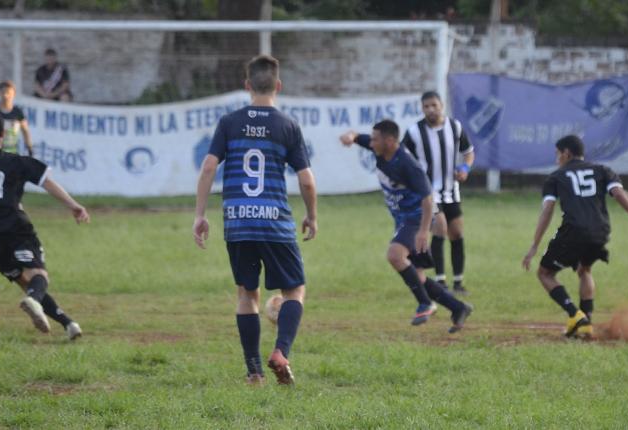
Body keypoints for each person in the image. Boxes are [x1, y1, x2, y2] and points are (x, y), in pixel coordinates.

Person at [193, 55, 317, 386]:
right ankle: (280, 352)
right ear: (278, 85)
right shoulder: (287, 126)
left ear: (247, 85)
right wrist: (312, 216)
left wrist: (200, 215)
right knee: (294, 290)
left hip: (238, 223)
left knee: (247, 295)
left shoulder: (229, 122)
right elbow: (306, 180)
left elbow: (208, 167)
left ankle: (253, 372)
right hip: (275, 221)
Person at [0, 112, 89, 340]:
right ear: (3, 135)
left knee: (25, 281)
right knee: (39, 275)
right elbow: (49, 184)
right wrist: (74, 206)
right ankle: (35, 303)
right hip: (16, 229)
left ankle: (68, 323)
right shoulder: (17, 162)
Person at [522, 135, 628, 338]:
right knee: (584, 269)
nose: (556, 159)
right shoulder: (602, 170)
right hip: (600, 230)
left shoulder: (556, 177)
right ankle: (586, 325)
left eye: (557, 154)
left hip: (573, 231)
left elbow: (547, 210)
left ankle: (575, 314)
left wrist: (534, 245)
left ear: (567, 153)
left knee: (545, 273)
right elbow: (621, 195)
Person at [340, 121, 473, 333]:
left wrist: (423, 231)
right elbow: (357, 136)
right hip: (403, 218)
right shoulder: (379, 148)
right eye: (372, 139)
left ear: (390, 141)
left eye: (375, 139)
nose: (371, 142)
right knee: (417, 276)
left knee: (395, 255)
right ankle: (458, 307)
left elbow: (428, 199)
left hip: (418, 216)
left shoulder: (408, 165)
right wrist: (350, 136)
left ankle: (425, 303)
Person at [402, 91, 475, 296]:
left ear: (442, 105)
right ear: (422, 109)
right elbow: (402, 158)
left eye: (434, 105)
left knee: (457, 233)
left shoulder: (455, 127)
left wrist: (465, 168)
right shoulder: (414, 132)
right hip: (428, 193)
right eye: (426, 106)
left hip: (451, 191)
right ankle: (440, 279)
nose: (430, 110)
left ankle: (458, 281)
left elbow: (468, 152)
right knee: (440, 227)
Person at [0, 81, 34, 156]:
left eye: (9, 93)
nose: (6, 95)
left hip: (12, 153)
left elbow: (25, 131)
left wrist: (30, 149)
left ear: (14, 94)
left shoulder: (18, 112)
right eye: (3, 92)